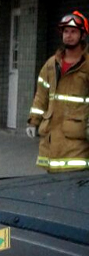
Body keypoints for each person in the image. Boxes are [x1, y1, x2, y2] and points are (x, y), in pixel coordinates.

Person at [27, 11, 89, 172]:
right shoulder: (51, 64)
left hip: (77, 141)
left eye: (74, 31)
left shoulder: (87, 65)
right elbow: (41, 95)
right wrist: (34, 120)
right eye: (66, 31)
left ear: (82, 35)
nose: (69, 35)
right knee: (52, 188)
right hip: (52, 138)